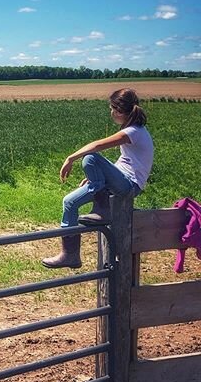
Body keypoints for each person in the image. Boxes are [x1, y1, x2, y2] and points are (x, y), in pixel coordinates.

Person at [42, 88, 154, 269]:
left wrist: (70, 158)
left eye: (112, 108)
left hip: (130, 185)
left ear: (118, 110)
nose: (111, 112)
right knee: (69, 202)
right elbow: (125, 162)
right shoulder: (132, 131)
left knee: (91, 157)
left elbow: (97, 146)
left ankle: (102, 209)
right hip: (120, 180)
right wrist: (98, 179)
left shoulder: (134, 132)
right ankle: (70, 255)